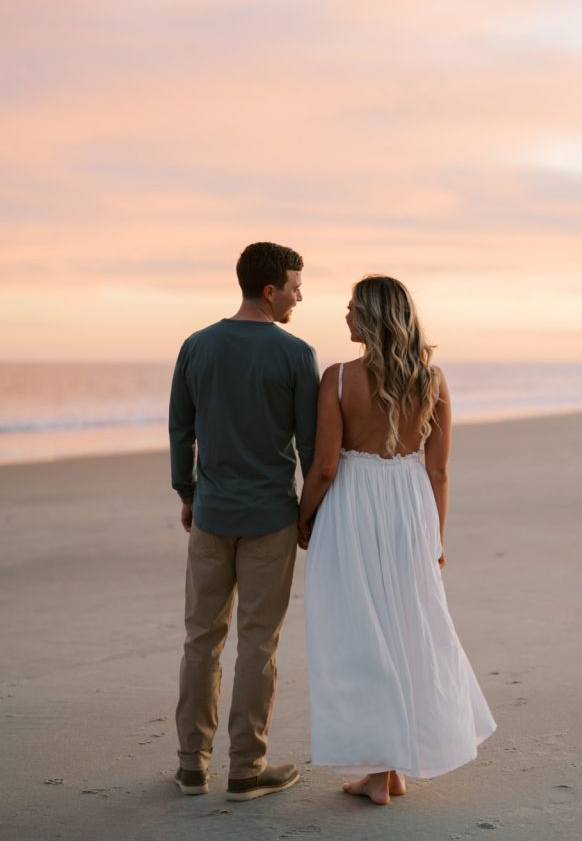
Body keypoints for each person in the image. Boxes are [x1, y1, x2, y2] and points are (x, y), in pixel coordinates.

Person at [297, 275, 496, 805]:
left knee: (362, 634)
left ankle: (381, 773)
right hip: (410, 508)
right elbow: (439, 472)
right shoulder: (432, 380)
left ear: (369, 318)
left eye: (351, 308)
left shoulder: (338, 379)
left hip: (353, 509)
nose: (344, 316)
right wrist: (436, 537)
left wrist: (303, 519)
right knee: (410, 628)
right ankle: (391, 770)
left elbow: (323, 467)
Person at [169, 242, 319, 801]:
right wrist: (308, 516)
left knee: (200, 641)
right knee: (258, 644)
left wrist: (187, 492)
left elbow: (180, 430)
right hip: (270, 518)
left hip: (210, 513)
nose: (300, 296)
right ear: (269, 290)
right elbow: (308, 445)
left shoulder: (195, 346)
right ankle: (245, 770)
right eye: (295, 286)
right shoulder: (296, 354)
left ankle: (191, 766)